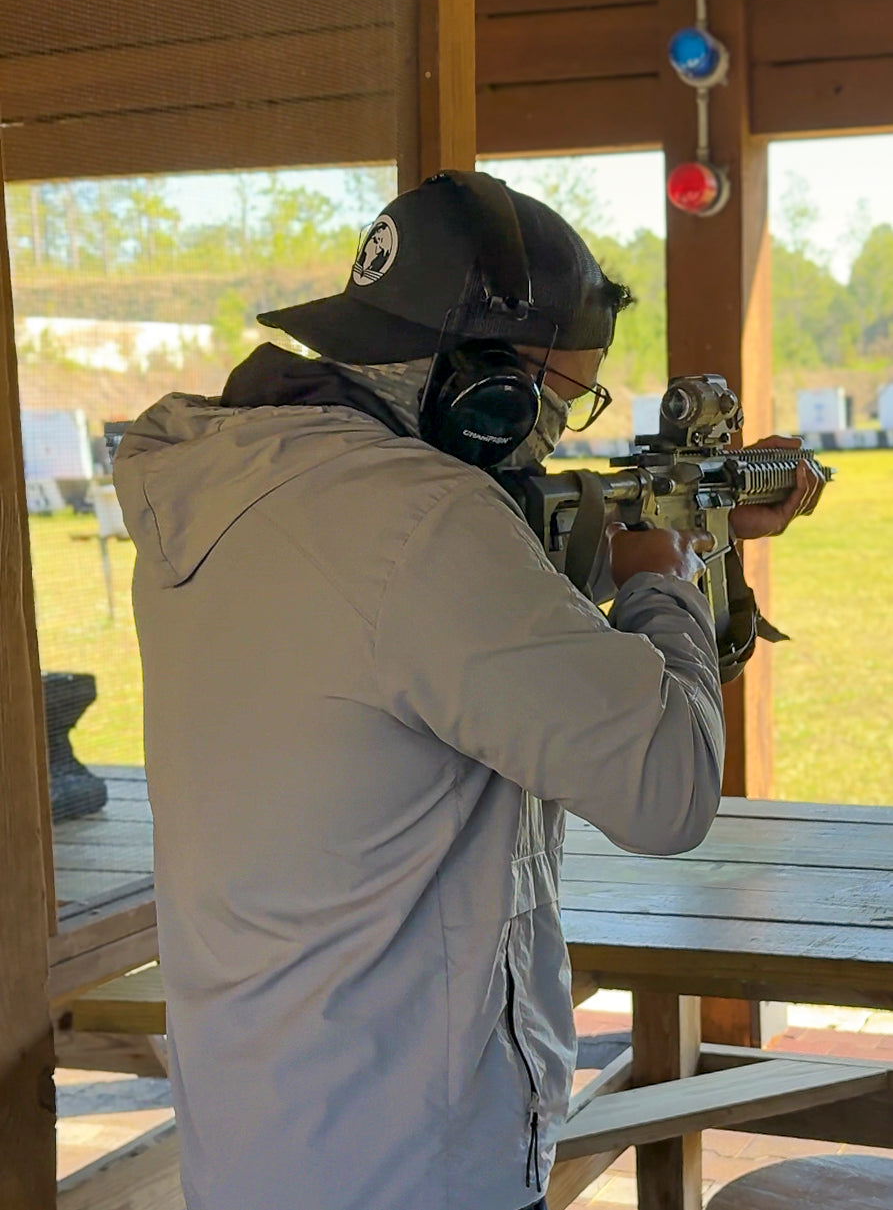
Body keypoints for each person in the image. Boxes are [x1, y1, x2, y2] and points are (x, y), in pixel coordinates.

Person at [114, 170, 823, 1210]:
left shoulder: (242, 482)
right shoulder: (419, 524)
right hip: (411, 1158)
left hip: (267, 1128)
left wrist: (676, 518)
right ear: (473, 389)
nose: (546, 438)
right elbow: (664, 788)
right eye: (548, 403)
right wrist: (662, 579)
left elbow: (440, 633)